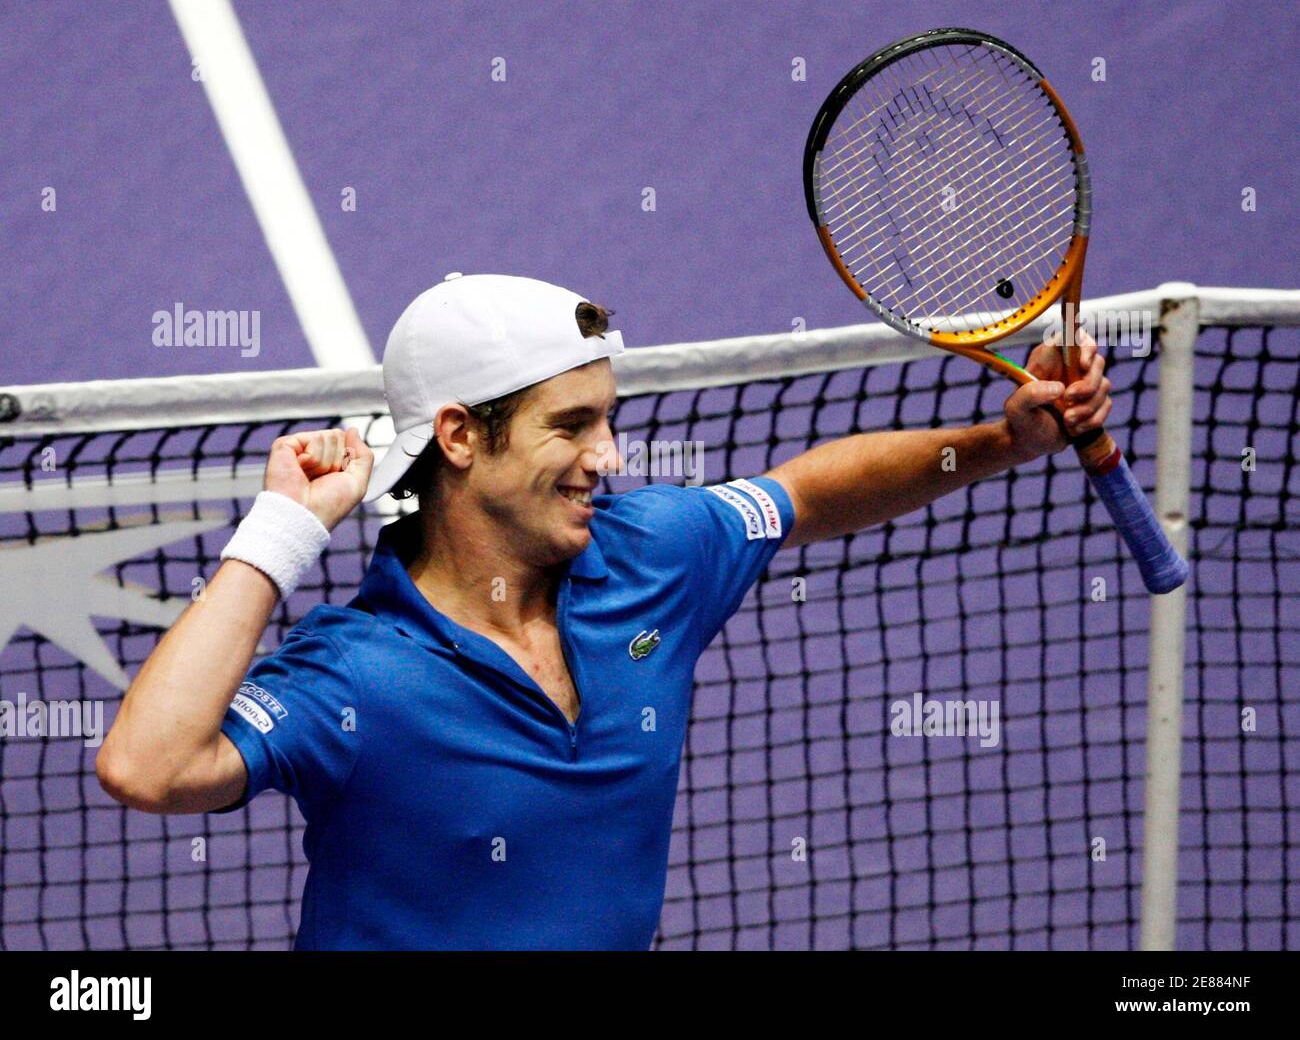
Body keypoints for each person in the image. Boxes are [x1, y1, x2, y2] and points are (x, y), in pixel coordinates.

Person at [97, 273, 1111, 949]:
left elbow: (805, 491)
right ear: (459, 434)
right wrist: (283, 527)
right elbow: (148, 765)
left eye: (609, 420)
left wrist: (1000, 442)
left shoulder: (652, 557)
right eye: (571, 425)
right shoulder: (357, 675)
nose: (610, 456)